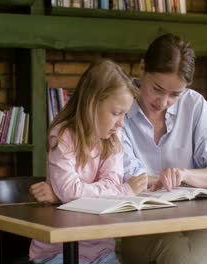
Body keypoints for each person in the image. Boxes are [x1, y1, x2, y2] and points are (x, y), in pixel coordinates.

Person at [30, 34, 207, 264]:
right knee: (180, 257)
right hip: (140, 223)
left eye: (175, 95)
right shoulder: (119, 108)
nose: (163, 102)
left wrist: (184, 175)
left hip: (192, 219)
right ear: (142, 67)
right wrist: (67, 193)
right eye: (157, 89)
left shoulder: (195, 106)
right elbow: (128, 181)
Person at [29, 59, 148, 264]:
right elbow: (71, 191)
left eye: (124, 115)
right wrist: (125, 191)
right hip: (58, 250)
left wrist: (61, 195)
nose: (120, 123)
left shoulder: (114, 136)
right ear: (92, 103)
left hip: (102, 251)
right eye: (116, 113)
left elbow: (89, 189)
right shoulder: (63, 135)